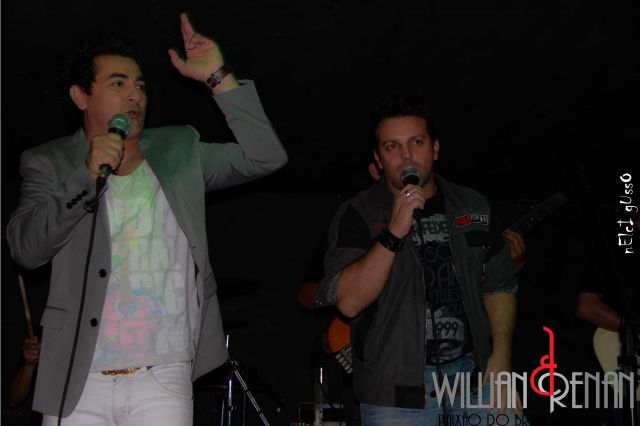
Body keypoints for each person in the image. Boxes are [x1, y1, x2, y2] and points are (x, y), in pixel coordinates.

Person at [5, 12, 287, 425]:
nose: (135, 95)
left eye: (140, 85)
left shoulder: (179, 149)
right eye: (118, 84)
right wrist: (85, 176)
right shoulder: (49, 162)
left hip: (163, 374)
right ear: (81, 96)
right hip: (77, 377)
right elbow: (26, 250)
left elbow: (266, 157)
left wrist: (218, 77)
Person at [315, 94, 524, 425]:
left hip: (475, 377)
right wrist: (393, 232)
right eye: (392, 147)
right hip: (396, 393)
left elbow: (500, 285)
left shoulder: (472, 205)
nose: (406, 156)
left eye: (416, 142)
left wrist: (501, 360)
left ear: (435, 148)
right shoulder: (357, 213)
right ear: (378, 158)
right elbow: (349, 303)